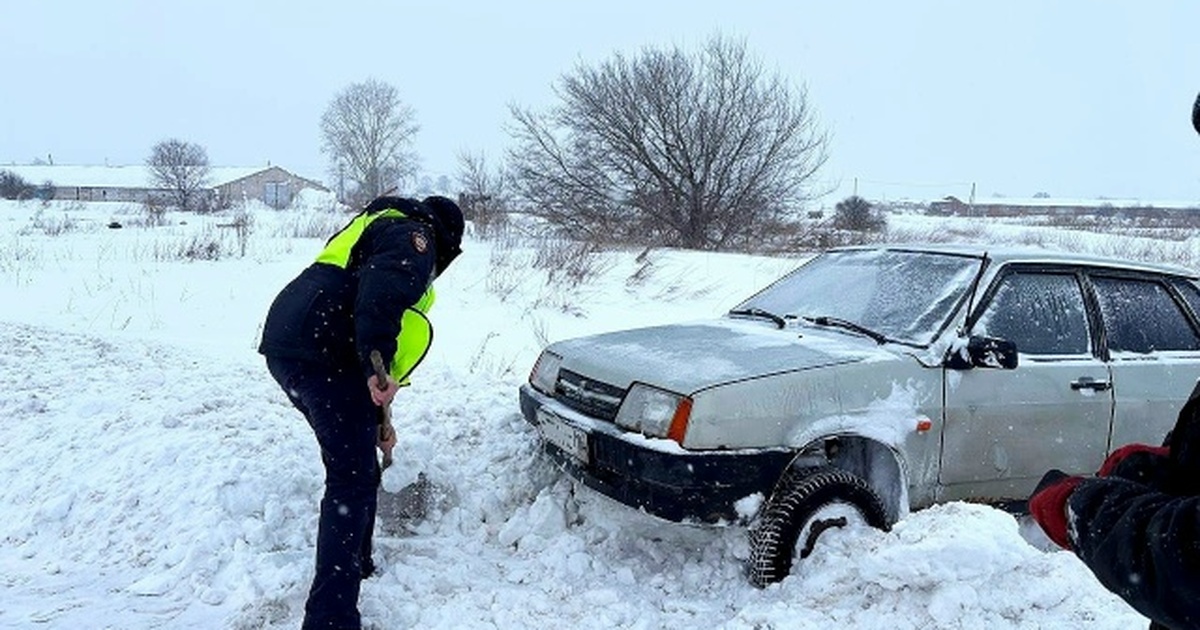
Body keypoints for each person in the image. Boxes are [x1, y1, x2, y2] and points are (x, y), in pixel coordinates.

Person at [258, 194, 463, 630]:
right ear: (446, 239)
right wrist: (374, 357)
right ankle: (330, 619)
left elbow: (359, 299)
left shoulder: (378, 224)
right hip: (322, 350)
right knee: (350, 480)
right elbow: (380, 298)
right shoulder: (413, 235)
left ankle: (360, 559)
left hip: (292, 344)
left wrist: (377, 421)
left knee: (354, 463)